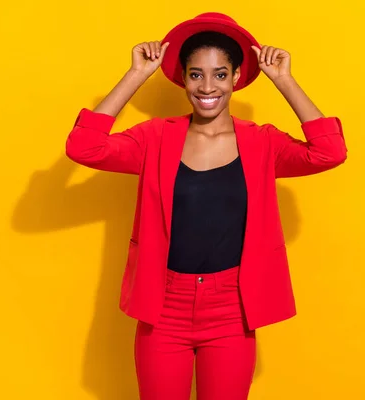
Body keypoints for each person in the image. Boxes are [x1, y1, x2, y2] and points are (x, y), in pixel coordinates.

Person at [65, 12, 347, 400]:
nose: (207, 85)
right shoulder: (154, 138)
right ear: (182, 78)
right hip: (162, 307)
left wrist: (284, 80)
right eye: (196, 74)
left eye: (219, 73)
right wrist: (135, 75)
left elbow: (329, 152)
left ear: (235, 78)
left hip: (232, 308)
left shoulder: (262, 143)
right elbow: (84, 147)